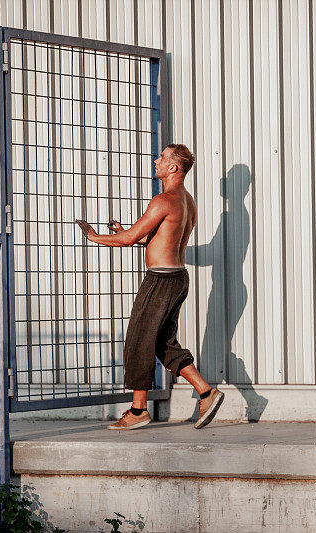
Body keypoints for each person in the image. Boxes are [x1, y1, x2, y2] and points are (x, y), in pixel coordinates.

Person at [75, 143, 224, 430]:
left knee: (138, 340)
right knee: (161, 343)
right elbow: (157, 238)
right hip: (177, 278)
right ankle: (207, 392)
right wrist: (127, 232)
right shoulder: (187, 200)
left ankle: (138, 409)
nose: (156, 160)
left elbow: (130, 239)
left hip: (160, 281)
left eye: (163, 158)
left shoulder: (163, 200)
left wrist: (94, 237)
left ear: (173, 168)